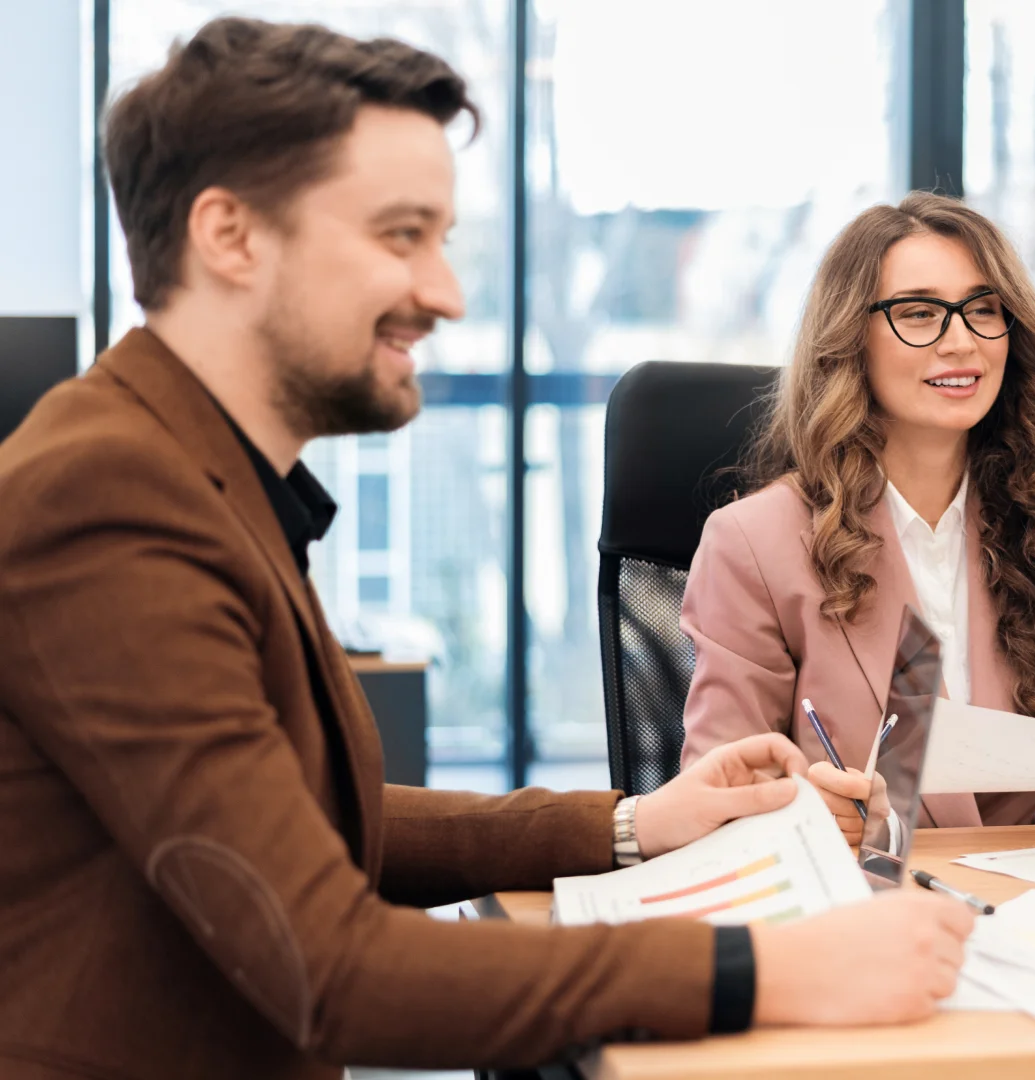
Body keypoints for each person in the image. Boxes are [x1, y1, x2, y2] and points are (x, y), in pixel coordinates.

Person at [0, 19, 970, 1079]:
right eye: (399, 236)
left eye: (443, 241)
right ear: (229, 237)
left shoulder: (187, 469)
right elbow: (327, 965)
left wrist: (641, 825)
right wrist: (763, 971)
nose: (445, 294)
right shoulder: (108, 498)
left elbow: (313, 817)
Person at [678, 192, 1035, 832]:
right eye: (918, 313)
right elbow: (715, 805)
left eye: (983, 310)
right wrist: (805, 815)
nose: (961, 341)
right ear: (848, 339)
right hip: (854, 914)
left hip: (1017, 911)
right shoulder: (755, 542)